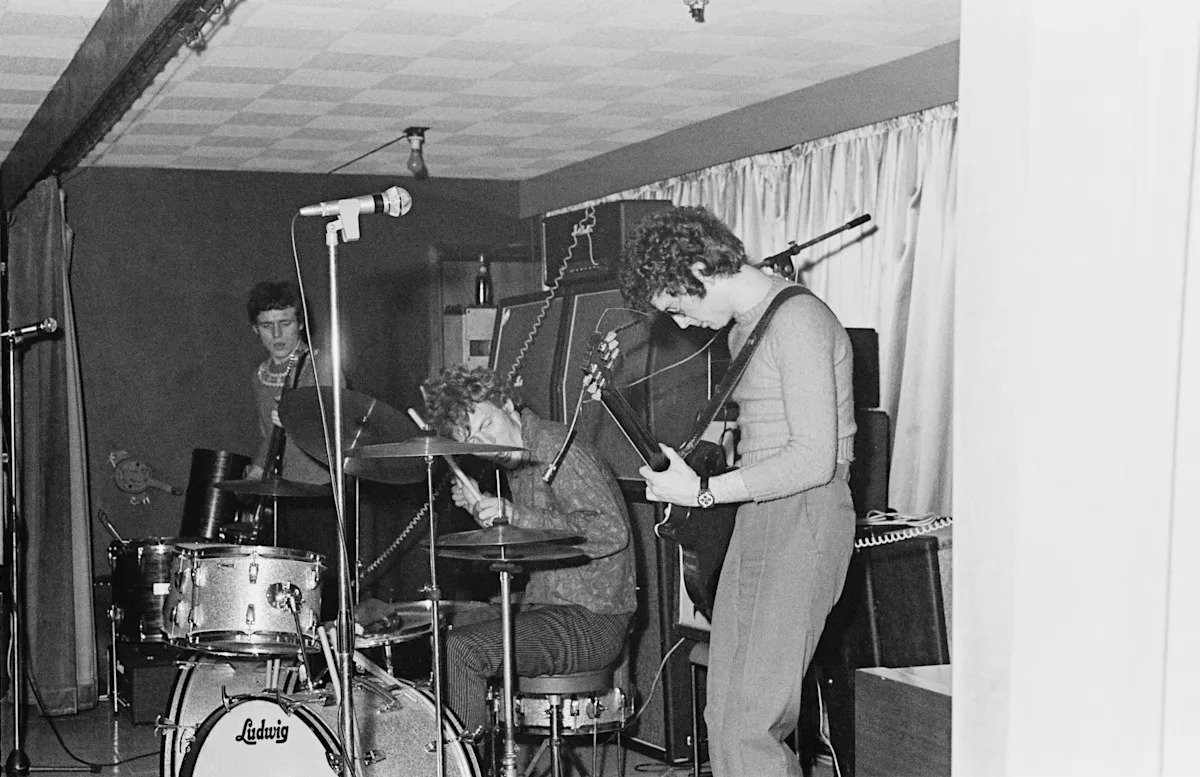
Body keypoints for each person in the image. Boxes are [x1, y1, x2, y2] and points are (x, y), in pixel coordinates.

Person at [616, 206, 856, 777]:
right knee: (724, 714)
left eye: (678, 305)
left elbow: (813, 460)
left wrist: (702, 490)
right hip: (761, 513)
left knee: (751, 724)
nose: (681, 322)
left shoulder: (797, 320)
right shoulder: (750, 324)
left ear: (700, 269)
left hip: (804, 511)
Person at [421, 365, 637, 737]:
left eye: (487, 424)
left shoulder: (554, 447)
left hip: (595, 618)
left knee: (462, 650)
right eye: (472, 439)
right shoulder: (518, 458)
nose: (485, 444)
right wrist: (485, 510)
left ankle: (465, 763)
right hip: (552, 606)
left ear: (507, 404)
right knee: (442, 628)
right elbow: (546, 538)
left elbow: (612, 531)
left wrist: (514, 514)